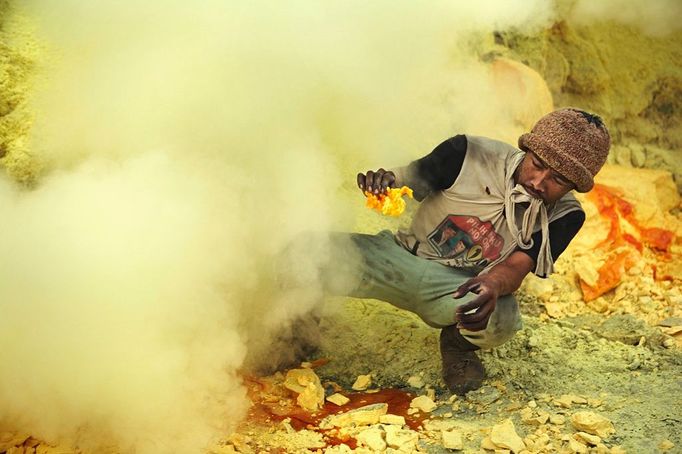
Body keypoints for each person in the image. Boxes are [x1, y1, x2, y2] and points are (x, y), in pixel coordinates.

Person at [342, 107, 611, 394]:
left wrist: (492, 283)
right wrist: (384, 181)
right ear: (527, 148)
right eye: (537, 164)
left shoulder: (566, 215)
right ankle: (299, 322)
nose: (537, 182)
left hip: (459, 288)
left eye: (558, 180)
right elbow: (409, 178)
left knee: (502, 318)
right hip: (399, 259)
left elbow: (517, 267)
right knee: (311, 255)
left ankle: (457, 346)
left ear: (575, 186)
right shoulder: (468, 153)